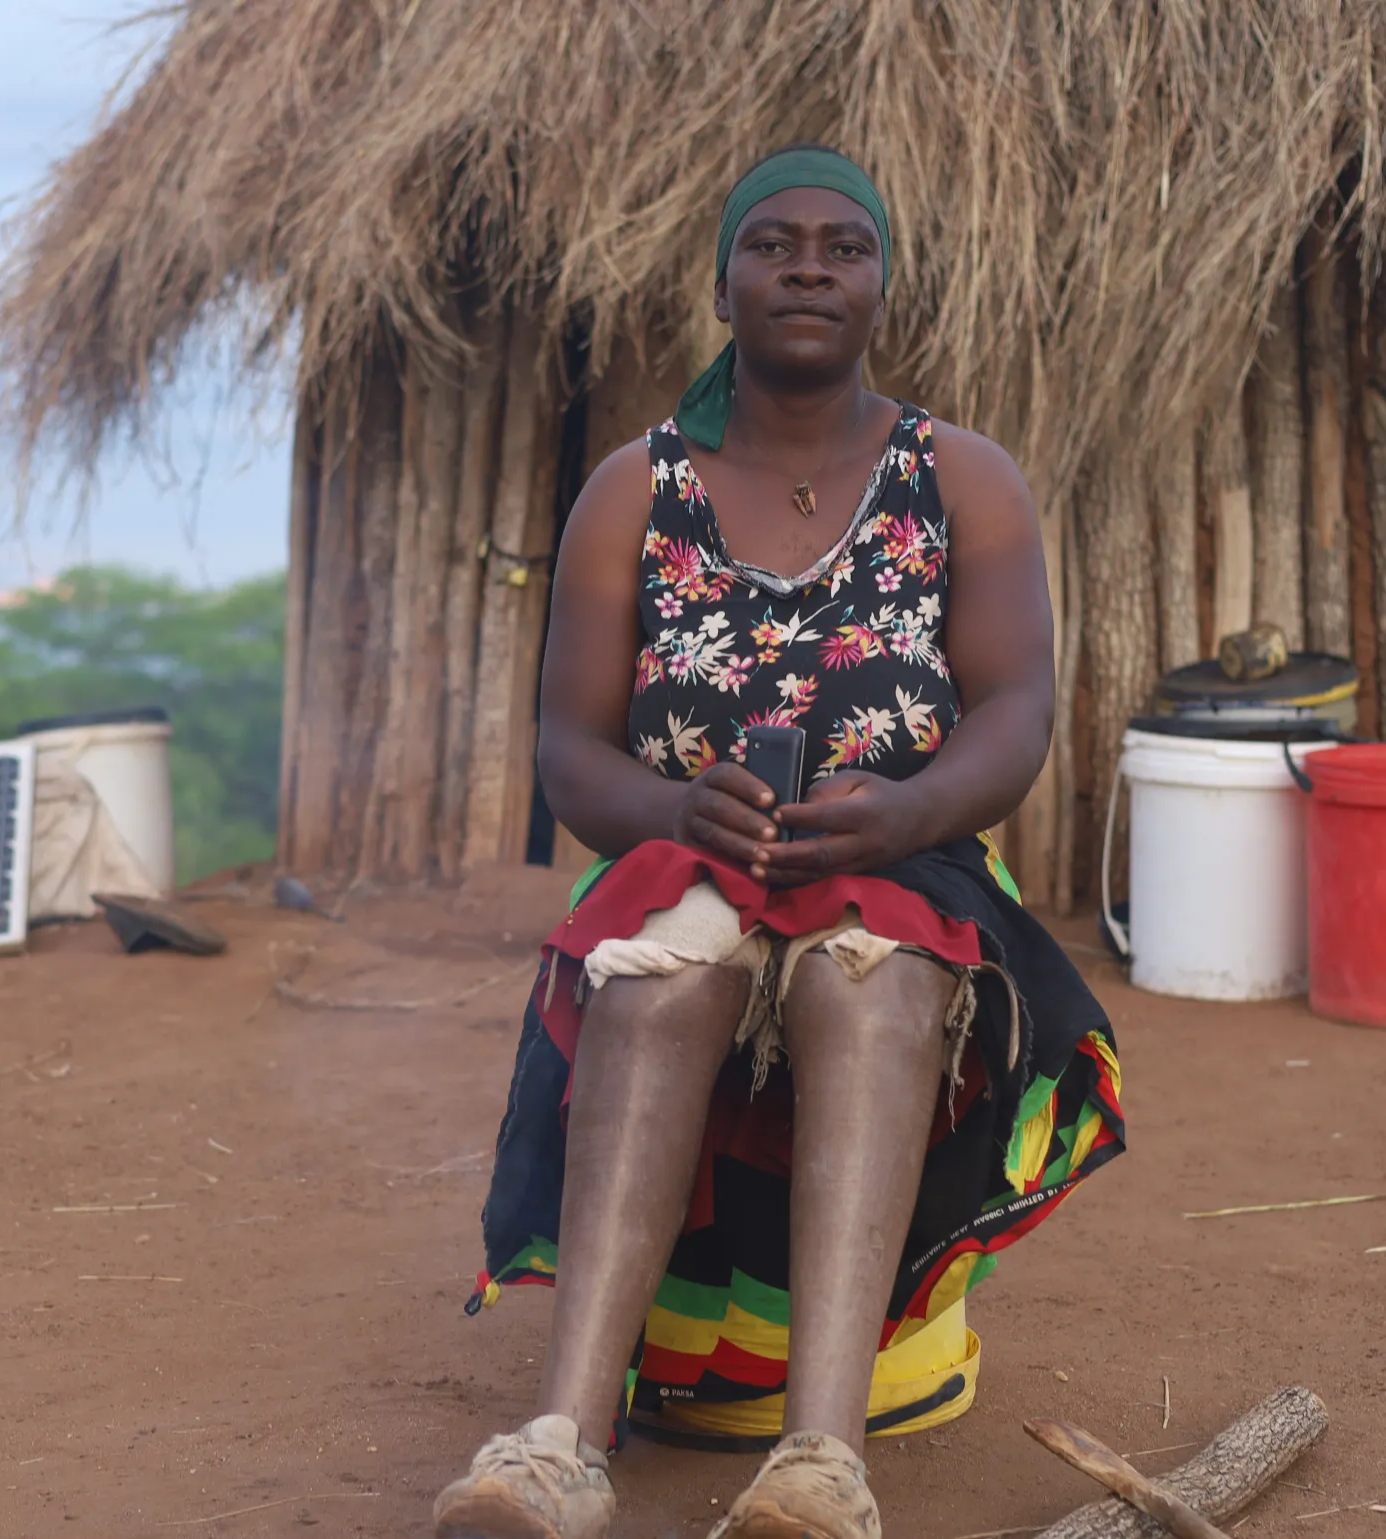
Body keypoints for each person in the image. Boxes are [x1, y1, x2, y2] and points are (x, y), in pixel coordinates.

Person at [432, 146, 1126, 1539]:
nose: (809, 266)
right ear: (725, 281)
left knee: (869, 977)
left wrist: (912, 809)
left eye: (842, 247)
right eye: (774, 243)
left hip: (906, 859)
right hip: (680, 850)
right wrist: (679, 809)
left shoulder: (962, 479)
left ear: (880, 286)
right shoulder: (636, 489)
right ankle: (560, 1445)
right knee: (659, 966)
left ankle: (821, 1461)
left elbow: (1018, 711)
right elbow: (570, 752)